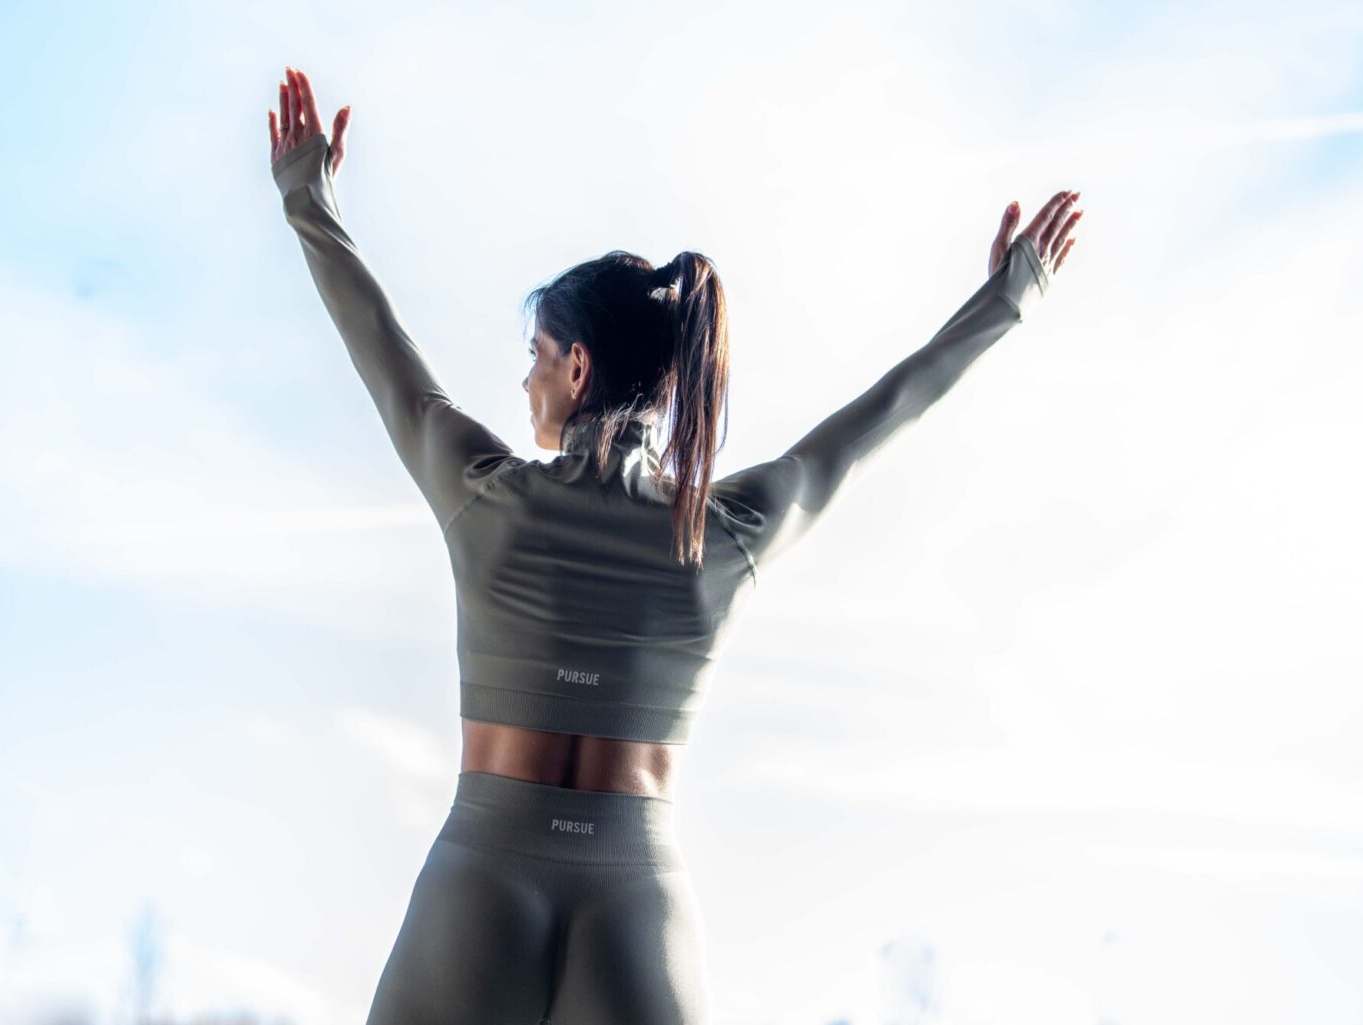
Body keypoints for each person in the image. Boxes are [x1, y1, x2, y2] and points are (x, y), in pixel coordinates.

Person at [267, 65, 1080, 1025]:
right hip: (638, 900)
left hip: (481, 875)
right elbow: (877, 418)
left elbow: (379, 343)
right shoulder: (726, 532)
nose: (525, 380)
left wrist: (305, 197)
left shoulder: (482, 494)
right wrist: (1006, 300)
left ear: (577, 365)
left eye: (535, 355)